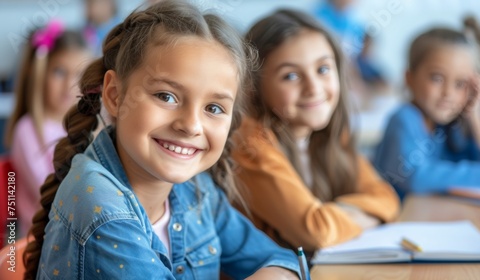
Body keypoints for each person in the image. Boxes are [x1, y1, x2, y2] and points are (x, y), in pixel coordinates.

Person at [22, 1, 300, 279]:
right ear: (115, 95)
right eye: (166, 96)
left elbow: (282, 259)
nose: (191, 125)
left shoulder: (196, 190)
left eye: (213, 108)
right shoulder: (100, 210)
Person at [231, 9, 400, 256]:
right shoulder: (251, 143)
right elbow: (316, 232)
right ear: (254, 87)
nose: (313, 88)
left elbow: (387, 198)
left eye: (323, 69)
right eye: (290, 76)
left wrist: (332, 214)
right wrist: (362, 214)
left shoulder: (327, 134)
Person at [373, 27, 480, 200]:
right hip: (397, 219)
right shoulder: (403, 119)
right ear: (409, 78)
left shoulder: (446, 126)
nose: (448, 93)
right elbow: (415, 177)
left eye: (460, 84)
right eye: (437, 78)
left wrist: (475, 115)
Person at [3, 20, 91, 235]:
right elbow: (52, 194)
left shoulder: (86, 127)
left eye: (79, 74)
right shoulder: (28, 130)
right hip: (41, 243)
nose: (70, 83)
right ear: (40, 74)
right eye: (59, 72)